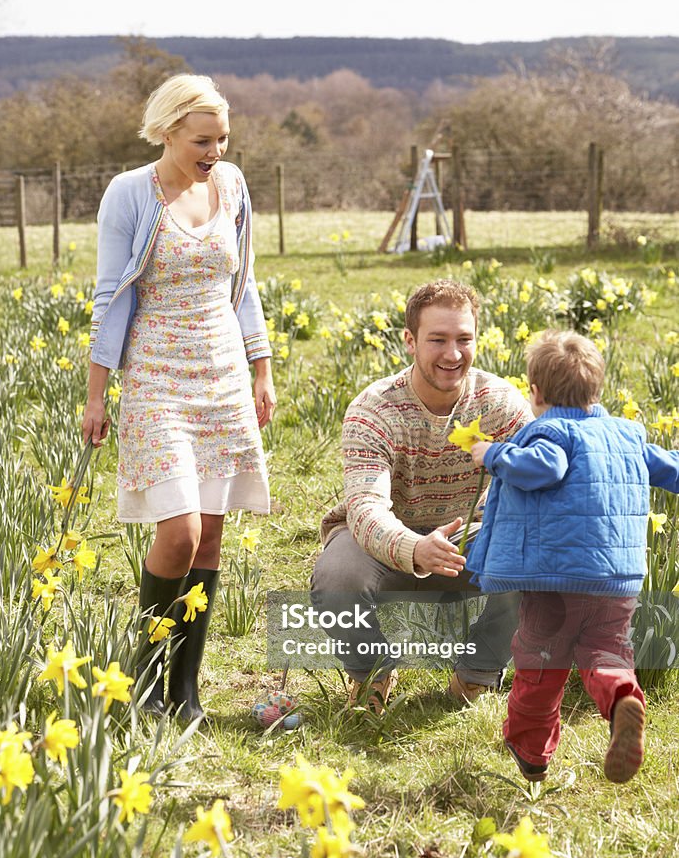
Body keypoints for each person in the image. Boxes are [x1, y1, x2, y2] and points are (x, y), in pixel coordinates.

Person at [82, 74, 275, 721]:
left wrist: (261, 368)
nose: (214, 149)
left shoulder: (234, 185)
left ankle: (184, 691)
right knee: (180, 531)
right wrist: (96, 395)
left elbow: (243, 281)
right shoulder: (129, 194)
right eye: (201, 139)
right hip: (158, 377)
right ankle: (144, 678)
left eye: (222, 138)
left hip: (221, 374)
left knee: (213, 535)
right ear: (166, 132)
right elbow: (111, 295)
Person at [467, 329, 679, 783]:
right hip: (616, 581)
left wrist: (493, 453)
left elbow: (544, 467)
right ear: (596, 390)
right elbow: (671, 469)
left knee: (540, 664)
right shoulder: (629, 435)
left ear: (536, 392)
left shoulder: (550, 431)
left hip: (554, 584)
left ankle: (532, 752)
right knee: (607, 651)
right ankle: (622, 696)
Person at [311, 279, 533, 710]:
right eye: (438, 340)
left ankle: (474, 678)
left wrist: (483, 527)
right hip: (385, 547)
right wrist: (415, 548)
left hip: (468, 544)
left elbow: (532, 491)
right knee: (338, 578)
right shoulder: (375, 408)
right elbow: (365, 507)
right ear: (410, 341)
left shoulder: (501, 404)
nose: (453, 354)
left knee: (530, 555)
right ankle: (371, 676)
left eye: (463, 339)